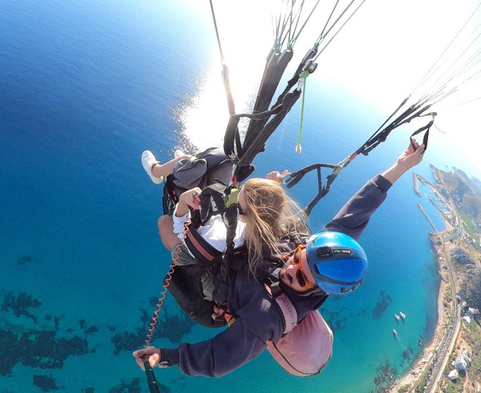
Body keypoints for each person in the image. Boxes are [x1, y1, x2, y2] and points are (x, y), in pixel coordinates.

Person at [133, 140, 426, 377]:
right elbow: (354, 215)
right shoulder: (315, 256)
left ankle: (164, 175)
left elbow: (218, 358)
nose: (289, 268)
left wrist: (165, 357)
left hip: (217, 285)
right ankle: (175, 170)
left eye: (299, 277)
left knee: (164, 224)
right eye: (296, 257)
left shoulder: (265, 316)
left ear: (317, 289)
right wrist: (400, 167)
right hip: (245, 257)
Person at [142, 148, 306, 300]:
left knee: (163, 221)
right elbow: (259, 204)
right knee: (223, 160)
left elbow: (182, 232)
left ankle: (156, 171)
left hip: (189, 253)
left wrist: (184, 203)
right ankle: (182, 168)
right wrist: (272, 185)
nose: (238, 189)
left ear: (247, 206)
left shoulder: (220, 233)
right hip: (211, 232)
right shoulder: (260, 225)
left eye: (241, 191)